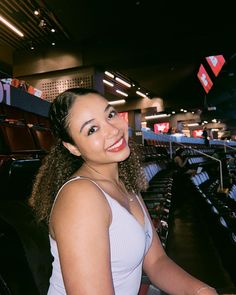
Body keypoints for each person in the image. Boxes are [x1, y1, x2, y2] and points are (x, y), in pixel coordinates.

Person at [29, 88, 219, 295]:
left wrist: (202, 290)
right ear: (72, 147)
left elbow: (156, 262)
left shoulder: (124, 185)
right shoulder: (81, 196)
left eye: (110, 114)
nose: (112, 130)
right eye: (92, 129)